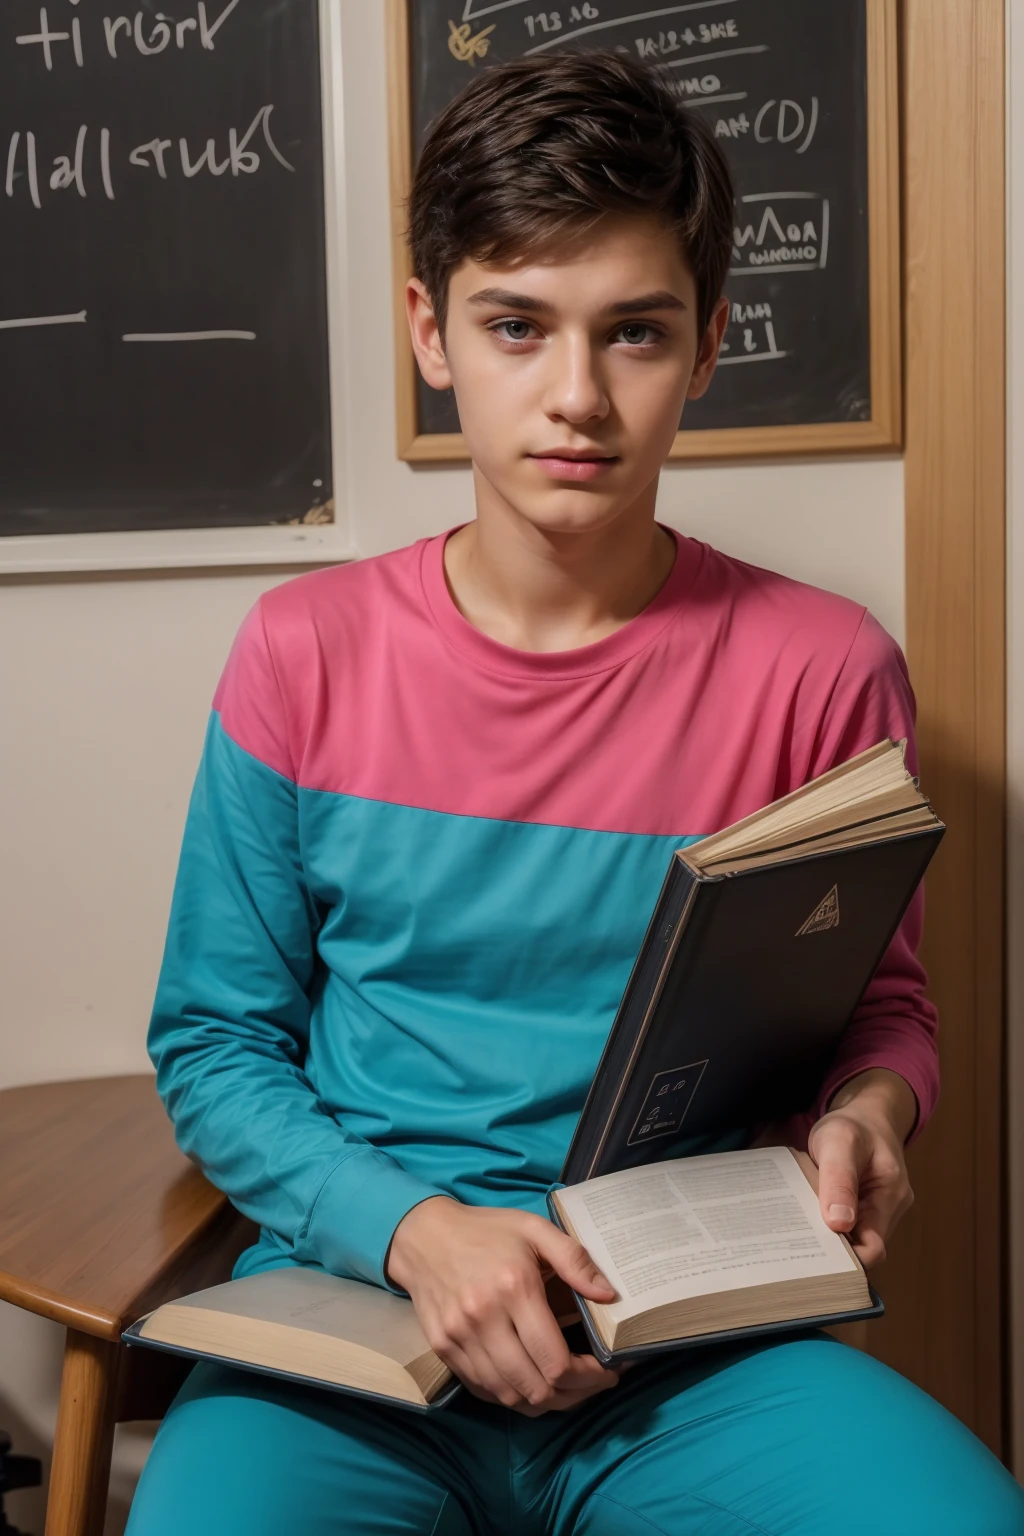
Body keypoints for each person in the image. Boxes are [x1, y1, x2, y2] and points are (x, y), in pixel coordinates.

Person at [126, 49, 1024, 1535]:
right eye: (517, 326)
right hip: (362, 1325)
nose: (577, 398)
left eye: (636, 335)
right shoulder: (304, 654)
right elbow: (216, 1046)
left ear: (712, 342)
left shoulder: (824, 670)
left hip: (685, 1352)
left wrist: (873, 1112)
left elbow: (881, 1007)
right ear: (432, 331)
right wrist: (415, 1233)